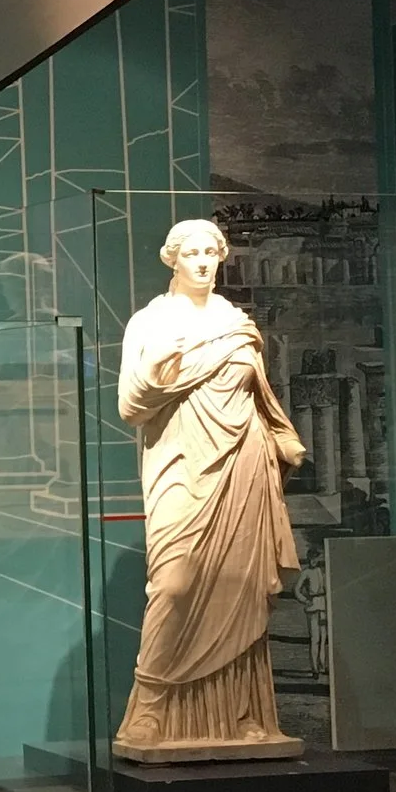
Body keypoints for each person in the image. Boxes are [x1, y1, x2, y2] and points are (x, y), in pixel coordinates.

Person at [115, 219, 307, 758]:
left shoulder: (238, 325)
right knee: (174, 586)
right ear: (172, 259)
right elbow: (131, 406)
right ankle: (150, 707)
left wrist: (282, 439)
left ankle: (243, 715)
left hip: (242, 467)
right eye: (191, 253)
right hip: (181, 464)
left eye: (211, 253)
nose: (202, 262)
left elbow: (260, 398)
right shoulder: (151, 323)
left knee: (239, 588)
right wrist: (157, 369)